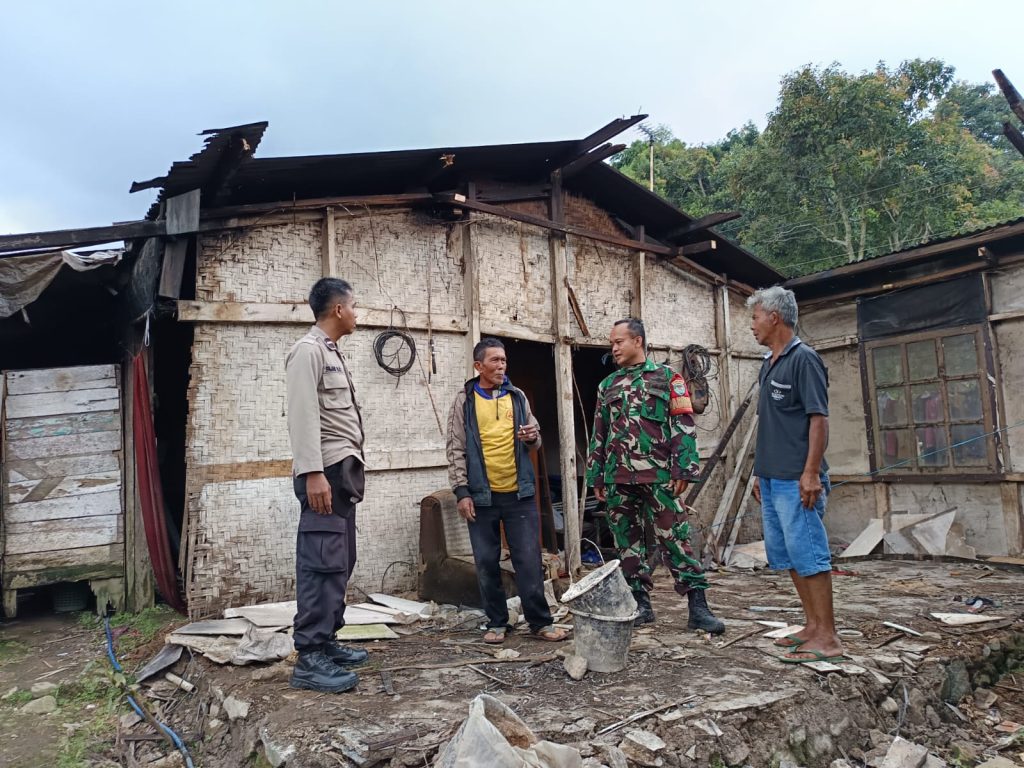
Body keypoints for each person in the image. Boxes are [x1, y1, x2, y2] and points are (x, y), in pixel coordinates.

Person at [586, 319, 725, 634]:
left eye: (619, 342)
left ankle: (698, 608)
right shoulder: (607, 386)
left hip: (659, 476)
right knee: (627, 544)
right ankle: (640, 605)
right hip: (617, 479)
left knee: (674, 539)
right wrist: (596, 476)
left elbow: (683, 425)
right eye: (612, 343)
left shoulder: (669, 379)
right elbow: (599, 434)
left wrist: (684, 468)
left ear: (637, 341)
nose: (614, 348)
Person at [446, 338, 569, 645]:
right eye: (494, 361)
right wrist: (462, 491)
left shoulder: (517, 397)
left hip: (520, 494)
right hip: (482, 496)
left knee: (528, 560)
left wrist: (532, 438)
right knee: (486, 562)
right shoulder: (465, 401)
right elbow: (455, 448)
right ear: (479, 366)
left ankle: (540, 622)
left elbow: (536, 439)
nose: (501, 365)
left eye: (503, 360)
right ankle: (497, 622)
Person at [747, 286, 843, 663]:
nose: (752, 325)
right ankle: (812, 626)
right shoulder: (769, 363)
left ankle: (829, 636)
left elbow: (818, 419)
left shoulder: (805, 360)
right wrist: (759, 473)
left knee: (810, 555)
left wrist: (811, 473)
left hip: (797, 479)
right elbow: (771, 424)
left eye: (755, 317)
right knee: (788, 554)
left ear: (774, 317)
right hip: (772, 478)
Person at [285, 277, 369, 692]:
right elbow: (302, 416)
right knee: (322, 563)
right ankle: (310, 656)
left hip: (341, 472)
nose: (357, 313)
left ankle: (328, 640)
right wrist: (312, 472)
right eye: (354, 306)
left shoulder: (332, 353)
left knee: (340, 560)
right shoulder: (308, 352)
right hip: (325, 473)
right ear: (338, 310)